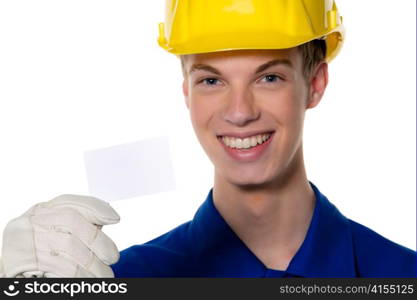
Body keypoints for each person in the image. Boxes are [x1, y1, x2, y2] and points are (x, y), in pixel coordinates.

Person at [0, 0, 415, 278]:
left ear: (316, 83)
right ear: (187, 91)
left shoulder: (401, 275)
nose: (239, 111)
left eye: (269, 77)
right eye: (212, 79)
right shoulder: (123, 279)